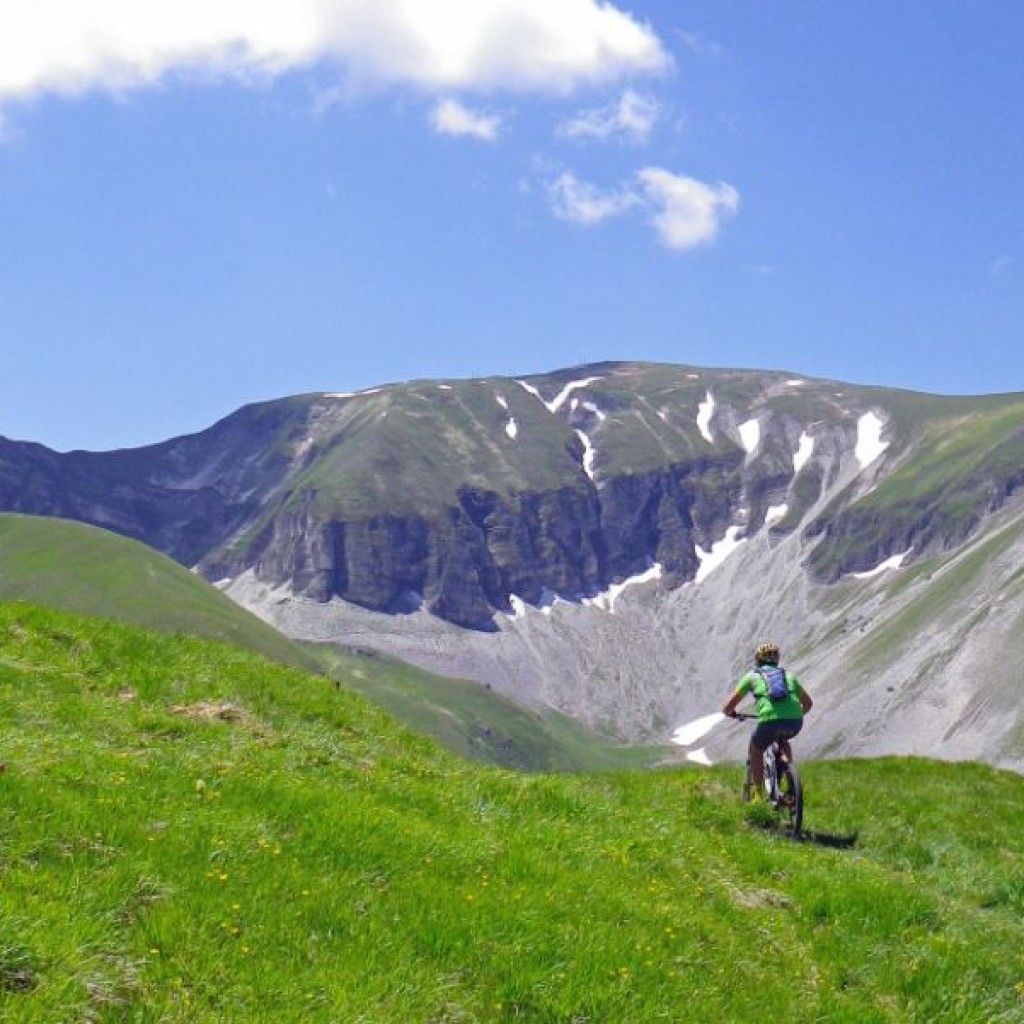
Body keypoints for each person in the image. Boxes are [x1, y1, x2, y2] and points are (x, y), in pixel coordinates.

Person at [721, 641, 812, 801]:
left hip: (769, 720)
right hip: (795, 721)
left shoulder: (752, 676)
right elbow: (808, 703)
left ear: (758, 660)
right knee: (784, 741)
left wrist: (730, 713)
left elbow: (729, 706)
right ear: (777, 659)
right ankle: (789, 775)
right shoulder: (788, 675)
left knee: (756, 751)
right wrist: (796, 714)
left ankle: (758, 795)